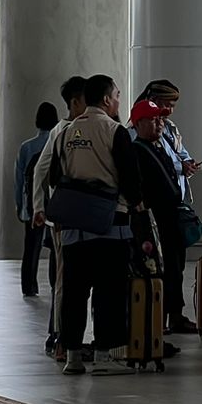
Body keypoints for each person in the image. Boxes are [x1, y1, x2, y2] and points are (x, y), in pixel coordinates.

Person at [42, 74, 143, 377]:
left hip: (74, 226)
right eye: (117, 95)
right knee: (109, 292)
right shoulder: (115, 131)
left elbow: (54, 175)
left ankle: (72, 355)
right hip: (111, 224)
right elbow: (129, 177)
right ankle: (103, 356)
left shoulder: (66, 132)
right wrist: (137, 205)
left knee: (74, 292)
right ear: (107, 99)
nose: (118, 100)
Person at [135, 78, 202, 333]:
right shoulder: (137, 134)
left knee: (176, 265)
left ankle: (174, 314)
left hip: (174, 207)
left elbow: (180, 154)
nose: (166, 114)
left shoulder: (170, 129)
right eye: (165, 105)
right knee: (158, 266)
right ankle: (157, 319)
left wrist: (186, 165)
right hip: (154, 213)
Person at [31, 76, 90, 361]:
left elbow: (40, 171)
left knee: (69, 279)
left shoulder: (69, 129)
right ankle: (59, 337)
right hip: (67, 216)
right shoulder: (64, 130)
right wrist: (39, 208)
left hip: (72, 214)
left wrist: (40, 208)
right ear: (75, 102)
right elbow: (41, 170)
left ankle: (63, 336)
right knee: (65, 279)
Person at [129, 98, 186, 354]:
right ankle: (154, 331)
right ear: (138, 123)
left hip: (169, 221)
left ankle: (166, 325)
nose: (160, 123)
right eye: (154, 119)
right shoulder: (137, 151)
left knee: (172, 271)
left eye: (160, 119)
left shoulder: (158, 148)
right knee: (156, 275)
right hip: (155, 224)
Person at [15, 102, 60, 299]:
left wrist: (20, 205)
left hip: (31, 203)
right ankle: (54, 284)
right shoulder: (58, 142)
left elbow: (18, 179)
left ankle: (29, 286)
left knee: (31, 246)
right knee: (55, 247)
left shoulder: (27, 147)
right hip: (55, 203)